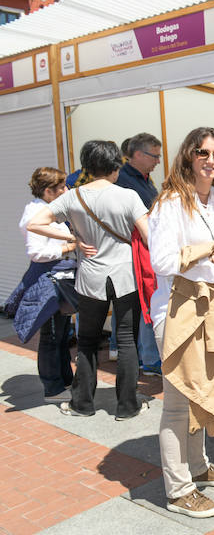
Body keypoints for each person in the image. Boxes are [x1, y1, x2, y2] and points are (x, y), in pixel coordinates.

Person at [148, 127, 214, 518]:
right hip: (179, 307)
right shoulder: (172, 202)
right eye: (203, 153)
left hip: (212, 304)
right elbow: (164, 262)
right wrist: (213, 252)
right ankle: (178, 489)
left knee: (202, 392)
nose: (210, 160)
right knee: (177, 403)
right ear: (189, 155)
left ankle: (199, 467)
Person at [28, 140, 149, 420]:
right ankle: (127, 407)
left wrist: (73, 238)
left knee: (87, 341)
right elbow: (149, 235)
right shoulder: (128, 196)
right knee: (128, 340)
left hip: (90, 276)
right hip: (125, 276)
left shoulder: (73, 196)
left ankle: (82, 404)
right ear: (115, 167)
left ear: (88, 166)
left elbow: (35, 223)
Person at [17, 168, 77, 403]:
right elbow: (36, 252)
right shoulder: (36, 213)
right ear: (47, 191)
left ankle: (65, 380)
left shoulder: (46, 208)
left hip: (57, 279)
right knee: (51, 336)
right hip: (48, 281)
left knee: (61, 334)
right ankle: (52, 388)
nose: (66, 190)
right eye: (61, 187)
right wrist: (68, 248)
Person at [116, 132, 164, 376]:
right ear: (137, 154)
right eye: (154, 156)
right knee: (146, 304)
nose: (158, 161)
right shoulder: (123, 181)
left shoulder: (145, 179)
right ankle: (150, 359)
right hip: (133, 254)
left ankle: (146, 356)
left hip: (144, 252)